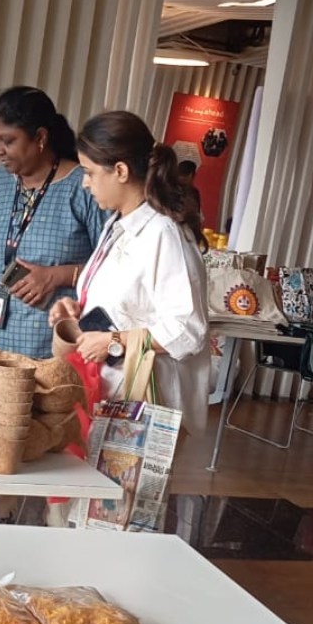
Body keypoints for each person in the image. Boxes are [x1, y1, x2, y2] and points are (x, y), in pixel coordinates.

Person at [48, 111, 210, 433]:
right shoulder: (118, 223)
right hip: (110, 391)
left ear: (120, 171)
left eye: (90, 173)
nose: (85, 183)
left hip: (143, 400)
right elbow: (127, 303)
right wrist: (78, 308)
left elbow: (188, 329)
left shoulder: (163, 233)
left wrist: (114, 341)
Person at [0, 86, 105, 357]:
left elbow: (113, 263)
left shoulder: (84, 187)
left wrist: (55, 276)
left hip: (47, 343)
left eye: (8, 141)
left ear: (40, 137)